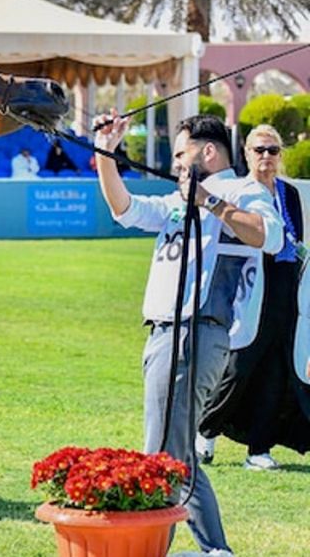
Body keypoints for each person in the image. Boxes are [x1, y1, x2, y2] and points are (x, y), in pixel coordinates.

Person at [93, 112, 282, 556]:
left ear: (209, 152)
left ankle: (203, 548)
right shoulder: (183, 196)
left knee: (166, 455)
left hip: (195, 333)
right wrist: (106, 153)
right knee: (171, 453)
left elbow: (269, 238)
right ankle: (204, 548)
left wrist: (209, 202)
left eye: (182, 154)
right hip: (168, 332)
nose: (177, 163)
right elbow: (127, 210)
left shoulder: (243, 190)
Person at [198, 125, 310, 470]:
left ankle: (259, 448)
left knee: (278, 369)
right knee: (240, 365)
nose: (266, 157)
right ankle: (205, 430)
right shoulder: (241, 191)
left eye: (272, 150)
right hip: (252, 286)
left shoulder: (289, 193)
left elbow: (296, 238)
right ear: (246, 153)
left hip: (286, 287)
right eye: (259, 150)